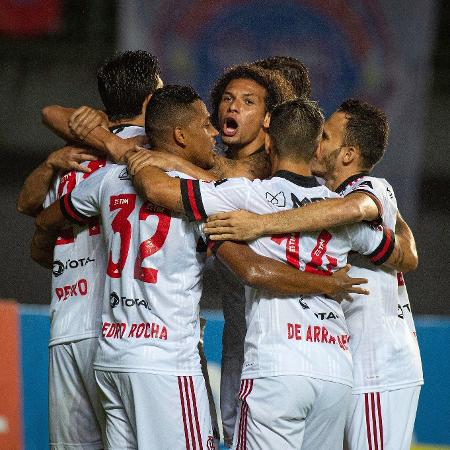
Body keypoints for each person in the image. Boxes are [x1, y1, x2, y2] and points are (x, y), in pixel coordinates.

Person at [34, 86, 367, 449]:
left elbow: (44, 217)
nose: (212, 131)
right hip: (168, 360)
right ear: (180, 135)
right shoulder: (218, 199)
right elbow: (252, 269)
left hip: (112, 357)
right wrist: (327, 284)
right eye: (205, 123)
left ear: (270, 142)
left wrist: (48, 251)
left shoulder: (107, 180)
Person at [125, 98, 413, 450]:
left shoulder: (247, 196)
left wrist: (131, 155)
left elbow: (158, 191)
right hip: (335, 370)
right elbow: (401, 255)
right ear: (312, 148)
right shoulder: (339, 213)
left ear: (269, 144)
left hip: (278, 365)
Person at [204, 99, 423, 450]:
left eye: (325, 136)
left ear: (349, 154)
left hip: (379, 363)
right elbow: (406, 254)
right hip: (345, 359)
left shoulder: (369, 188)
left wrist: (261, 223)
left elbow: (359, 213)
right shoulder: (324, 200)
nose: (316, 143)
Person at [21, 50, 162, 450]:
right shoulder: (152, 154)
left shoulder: (78, 157)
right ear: (152, 97)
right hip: (122, 328)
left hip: (66, 327)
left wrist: (57, 159)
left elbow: (28, 206)